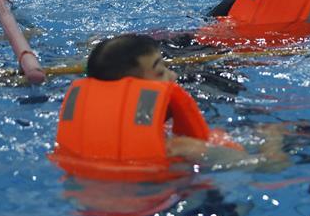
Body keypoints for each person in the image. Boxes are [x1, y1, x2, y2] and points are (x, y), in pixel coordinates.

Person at [51, 33, 245, 180]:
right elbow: (254, 165)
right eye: (160, 72)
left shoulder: (74, 141)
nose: (173, 76)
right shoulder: (179, 147)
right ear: (132, 90)